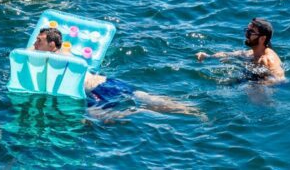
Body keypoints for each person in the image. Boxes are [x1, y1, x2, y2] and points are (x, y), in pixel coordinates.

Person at [31, 27, 202, 115]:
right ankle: (189, 109)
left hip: (98, 91)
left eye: (39, 41)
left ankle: (142, 111)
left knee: (100, 117)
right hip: (108, 81)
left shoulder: (56, 58)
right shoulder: (65, 51)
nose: (35, 43)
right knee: (145, 96)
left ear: (52, 45)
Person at [196, 18, 285, 85]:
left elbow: (280, 80)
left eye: (250, 33)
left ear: (262, 38)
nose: (246, 35)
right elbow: (228, 54)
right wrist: (207, 56)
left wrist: (257, 86)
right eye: (246, 31)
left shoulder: (267, 60)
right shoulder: (251, 53)